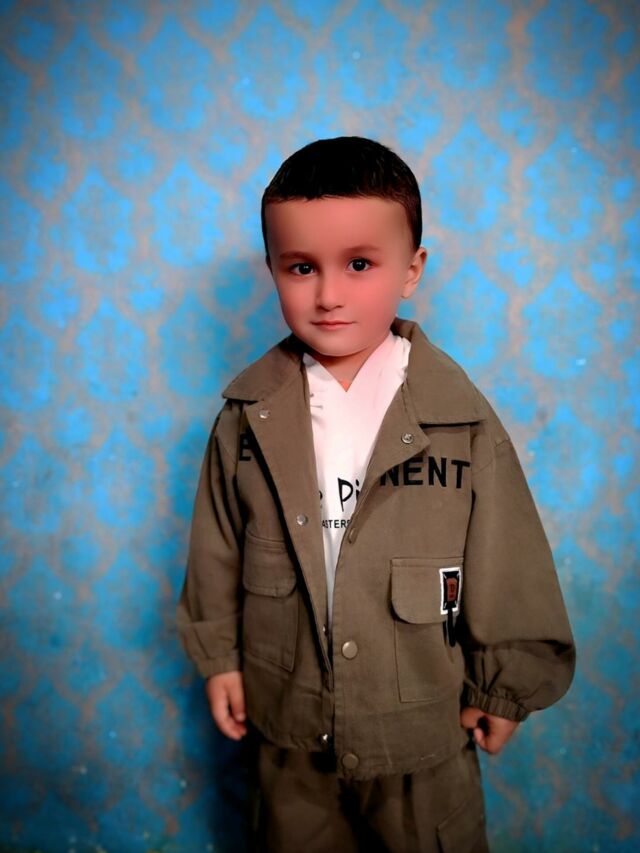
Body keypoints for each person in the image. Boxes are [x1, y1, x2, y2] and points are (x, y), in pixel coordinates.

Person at [176, 136, 576, 852]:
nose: (329, 294)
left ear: (412, 270)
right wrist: (221, 658)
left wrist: (503, 685)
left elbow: (507, 554)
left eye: (359, 264)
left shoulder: (459, 419)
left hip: (421, 726)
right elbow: (217, 545)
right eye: (302, 267)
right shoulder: (246, 418)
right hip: (289, 721)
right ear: (273, 269)